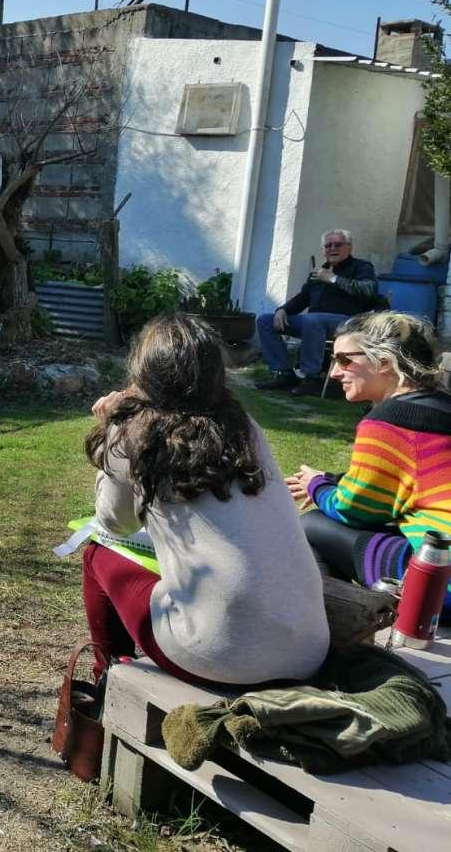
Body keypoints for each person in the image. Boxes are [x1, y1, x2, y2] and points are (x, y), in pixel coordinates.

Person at [83, 314, 330, 687]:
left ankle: (107, 679)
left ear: (142, 371)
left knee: (96, 554)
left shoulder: (130, 431)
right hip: (309, 649)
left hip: (219, 657)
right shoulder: (244, 426)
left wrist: (110, 431)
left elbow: (114, 523)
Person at [288, 312, 451, 605]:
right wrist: (331, 479)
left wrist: (317, 486)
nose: (334, 373)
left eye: (344, 360)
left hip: (440, 581)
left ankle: (341, 620)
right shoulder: (440, 409)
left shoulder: (391, 421)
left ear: (384, 362)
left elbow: (355, 510)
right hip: (443, 560)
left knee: (312, 526)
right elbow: (403, 484)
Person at [256, 229, 379, 397]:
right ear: (323, 250)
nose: (332, 248)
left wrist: (333, 279)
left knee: (312, 320)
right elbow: (302, 298)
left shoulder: (361, 267)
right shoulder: (319, 272)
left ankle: (311, 378)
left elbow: (368, 290)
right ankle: (284, 373)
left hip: (348, 323)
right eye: (328, 245)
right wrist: (282, 310)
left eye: (338, 245)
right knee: (265, 320)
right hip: (314, 324)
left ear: (349, 247)